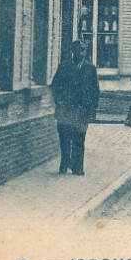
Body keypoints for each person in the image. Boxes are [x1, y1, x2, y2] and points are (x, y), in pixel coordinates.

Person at [51, 40, 100, 175]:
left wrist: (93, 110)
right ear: (73, 51)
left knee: (79, 138)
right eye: (79, 50)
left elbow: (95, 91)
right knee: (64, 137)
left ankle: (78, 167)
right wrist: (59, 101)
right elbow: (55, 86)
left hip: (82, 110)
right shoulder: (64, 66)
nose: (82, 53)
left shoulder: (90, 68)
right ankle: (65, 162)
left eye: (84, 50)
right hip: (65, 109)